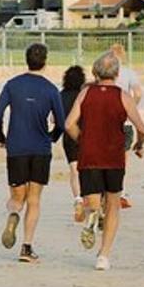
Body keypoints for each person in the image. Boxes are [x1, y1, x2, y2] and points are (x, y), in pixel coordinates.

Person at [65, 51, 144, 271]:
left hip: (89, 155)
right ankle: (103, 256)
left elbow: (68, 123)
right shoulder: (123, 96)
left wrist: (82, 140)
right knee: (112, 205)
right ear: (118, 73)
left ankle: (92, 215)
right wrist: (139, 145)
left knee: (92, 201)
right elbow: (141, 128)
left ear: (95, 72)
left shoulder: (85, 94)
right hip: (113, 157)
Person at [0, 43, 65, 263]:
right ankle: (26, 247)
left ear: (26, 59)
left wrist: (0, 136)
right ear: (45, 61)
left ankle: (13, 213)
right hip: (40, 148)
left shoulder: (12, 85)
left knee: (17, 197)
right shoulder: (51, 89)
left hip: (17, 147)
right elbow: (61, 122)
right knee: (34, 199)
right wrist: (53, 136)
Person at [110, 43, 143, 209]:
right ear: (123, 56)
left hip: (107, 119)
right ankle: (121, 192)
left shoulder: (106, 72)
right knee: (123, 157)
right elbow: (138, 93)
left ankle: (106, 191)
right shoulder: (129, 73)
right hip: (125, 120)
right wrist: (131, 107)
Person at [59, 65, 87, 222]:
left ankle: (78, 199)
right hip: (86, 135)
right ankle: (92, 201)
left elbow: (54, 119)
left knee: (74, 170)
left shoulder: (61, 95)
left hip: (69, 137)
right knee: (88, 170)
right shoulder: (84, 95)